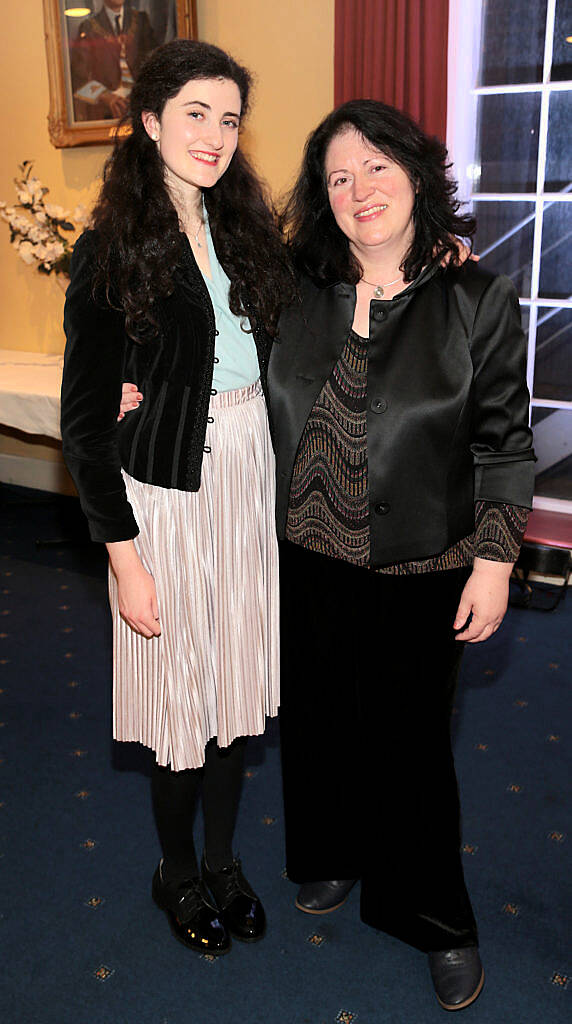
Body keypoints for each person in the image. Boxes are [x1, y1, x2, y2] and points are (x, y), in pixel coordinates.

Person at [269, 100, 534, 1012]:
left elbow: (504, 443)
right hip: (306, 556)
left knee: (413, 749)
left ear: (417, 176)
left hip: (424, 565)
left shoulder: (477, 300)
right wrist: (130, 394)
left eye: (377, 167)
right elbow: (212, 357)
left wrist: (496, 561)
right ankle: (332, 853)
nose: (359, 190)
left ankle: (436, 918)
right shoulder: (293, 295)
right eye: (339, 178)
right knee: (316, 723)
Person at [61, 39, 295, 957]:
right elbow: (85, 428)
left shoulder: (247, 229)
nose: (214, 134)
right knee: (178, 705)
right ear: (150, 121)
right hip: (165, 494)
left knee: (236, 690)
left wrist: (434, 241)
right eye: (194, 112)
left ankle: (226, 858)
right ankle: (178, 871)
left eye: (229, 117)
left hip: (248, 478)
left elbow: (329, 283)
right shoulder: (110, 250)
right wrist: (124, 560)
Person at [70, 1, 158, 121]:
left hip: (141, 109)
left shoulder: (141, 20)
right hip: (106, 113)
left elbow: (156, 66)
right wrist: (104, 96)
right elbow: (78, 77)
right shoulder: (88, 27)